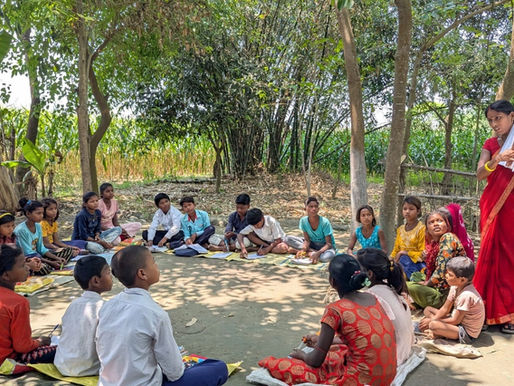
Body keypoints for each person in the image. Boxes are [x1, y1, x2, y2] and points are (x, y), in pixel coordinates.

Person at [96, 245, 228, 386]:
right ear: (142, 273)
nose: (156, 265)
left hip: (109, 382)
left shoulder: (108, 306)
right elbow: (175, 372)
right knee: (218, 367)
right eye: (153, 261)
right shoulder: (155, 313)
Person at [259, 254, 397, 384]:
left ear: (332, 281)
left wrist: (301, 355)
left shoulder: (335, 310)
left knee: (283, 366)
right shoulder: (372, 298)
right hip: (388, 376)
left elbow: (315, 361)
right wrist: (321, 341)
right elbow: (361, 336)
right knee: (338, 351)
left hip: (360, 381)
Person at [474, 100, 514, 332]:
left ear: (511, 116)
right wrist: (497, 159)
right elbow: (479, 174)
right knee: (489, 255)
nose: (494, 124)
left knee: (510, 256)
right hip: (492, 204)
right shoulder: (491, 144)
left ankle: (508, 314)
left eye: (498, 118)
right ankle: (485, 310)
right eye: (490, 120)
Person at [54, 255, 112, 376]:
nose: (111, 277)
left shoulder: (73, 304)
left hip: (63, 365)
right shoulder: (105, 308)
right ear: (96, 280)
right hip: (88, 369)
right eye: (108, 273)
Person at [356, 248, 414, 365]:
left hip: (392, 357)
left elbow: (363, 335)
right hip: (405, 349)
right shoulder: (391, 288)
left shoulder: (371, 296)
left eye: (359, 270)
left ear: (370, 274)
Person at [0, 245, 56, 364]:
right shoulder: (19, 303)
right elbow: (22, 347)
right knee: (61, 350)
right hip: (6, 359)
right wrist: (40, 341)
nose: (27, 268)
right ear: (6, 275)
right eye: (22, 265)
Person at [407, 209, 467, 309]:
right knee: (416, 276)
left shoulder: (447, 237)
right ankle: (422, 299)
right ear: (427, 229)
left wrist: (427, 284)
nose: (436, 224)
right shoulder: (434, 244)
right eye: (431, 222)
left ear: (447, 225)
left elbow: (441, 269)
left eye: (439, 221)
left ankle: (430, 302)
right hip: (440, 284)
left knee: (409, 285)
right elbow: (432, 267)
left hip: (448, 293)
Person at [419, 256, 485, 344]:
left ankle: (439, 332)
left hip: (465, 332)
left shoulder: (466, 295)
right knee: (428, 310)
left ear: (462, 280)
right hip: (457, 322)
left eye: (450, 275)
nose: (446, 276)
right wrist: (434, 319)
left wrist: (432, 321)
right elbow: (444, 309)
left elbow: (455, 320)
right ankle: (440, 331)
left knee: (433, 325)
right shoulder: (454, 287)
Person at [15, 199, 71, 275]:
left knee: (68, 250)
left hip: (38, 256)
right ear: (28, 213)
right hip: (28, 259)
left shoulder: (38, 226)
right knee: (43, 268)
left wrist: (57, 258)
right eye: (38, 213)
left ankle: (52, 265)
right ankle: (49, 266)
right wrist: (51, 262)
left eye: (42, 213)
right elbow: (28, 253)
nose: (41, 216)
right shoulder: (21, 230)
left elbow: (41, 248)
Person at [237, 208, 304, 258]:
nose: (256, 227)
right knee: (249, 234)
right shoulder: (253, 225)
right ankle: (260, 248)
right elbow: (240, 234)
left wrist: (267, 250)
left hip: (278, 242)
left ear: (262, 218)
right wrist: (243, 248)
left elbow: (278, 240)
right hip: (265, 243)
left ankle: (255, 249)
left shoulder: (271, 221)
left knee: (283, 248)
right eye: (254, 226)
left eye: (257, 225)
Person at [391, 196, 426, 280]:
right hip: (401, 261)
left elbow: (422, 254)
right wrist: (390, 259)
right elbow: (396, 249)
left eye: (411, 209)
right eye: (405, 209)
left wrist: (404, 253)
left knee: (404, 259)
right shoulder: (400, 229)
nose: (407, 211)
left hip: (416, 263)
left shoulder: (422, 229)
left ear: (418, 211)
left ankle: (413, 281)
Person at [297, 197, 336, 263]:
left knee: (325, 258)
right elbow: (307, 240)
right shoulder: (303, 221)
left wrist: (318, 253)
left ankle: (310, 253)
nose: (314, 209)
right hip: (312, 244)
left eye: (316, 206)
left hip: (325, 247)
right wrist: (303, 249)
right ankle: (311, 252)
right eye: (311, 206)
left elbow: (329, 244)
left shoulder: (324, 222)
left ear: (318, 209)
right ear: (305, 209)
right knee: (288, 239)